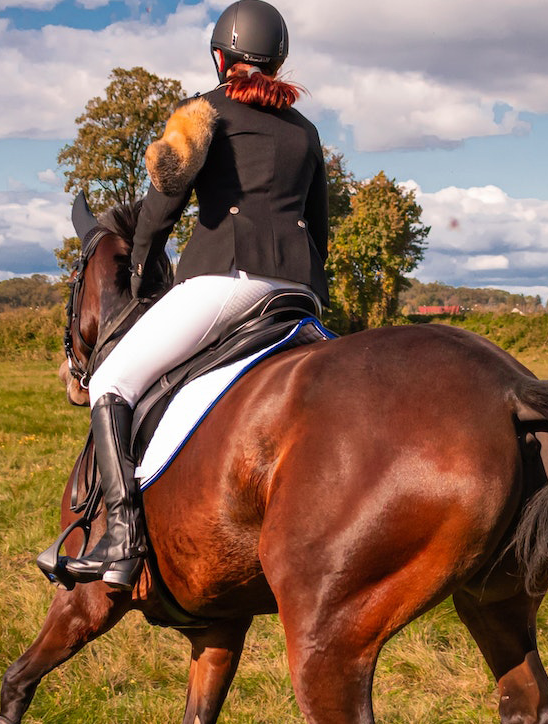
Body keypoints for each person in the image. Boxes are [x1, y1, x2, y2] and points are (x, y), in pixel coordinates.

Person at [54, 0, 330, 590]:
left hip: (225, 283)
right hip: (300, 295)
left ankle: (122, 539)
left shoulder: (201, 113)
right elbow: (320, 227)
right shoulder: (306, 133)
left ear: (219, 56)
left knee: (110, 382)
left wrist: (143, 265)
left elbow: (160, 207)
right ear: (278, 60)